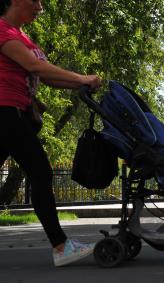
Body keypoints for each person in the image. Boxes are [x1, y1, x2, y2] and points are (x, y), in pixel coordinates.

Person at [0, 0, 101, 267]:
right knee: (41, 173)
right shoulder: (2, 31)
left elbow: (48, 78)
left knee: (39, 173)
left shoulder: (22, 37)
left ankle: (61, 246)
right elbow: (35, 68)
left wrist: (81, 83)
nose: (41, 7)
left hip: (14, 113)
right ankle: (61, 246)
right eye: (36, 1)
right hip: (4, 112)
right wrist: (81, 78)